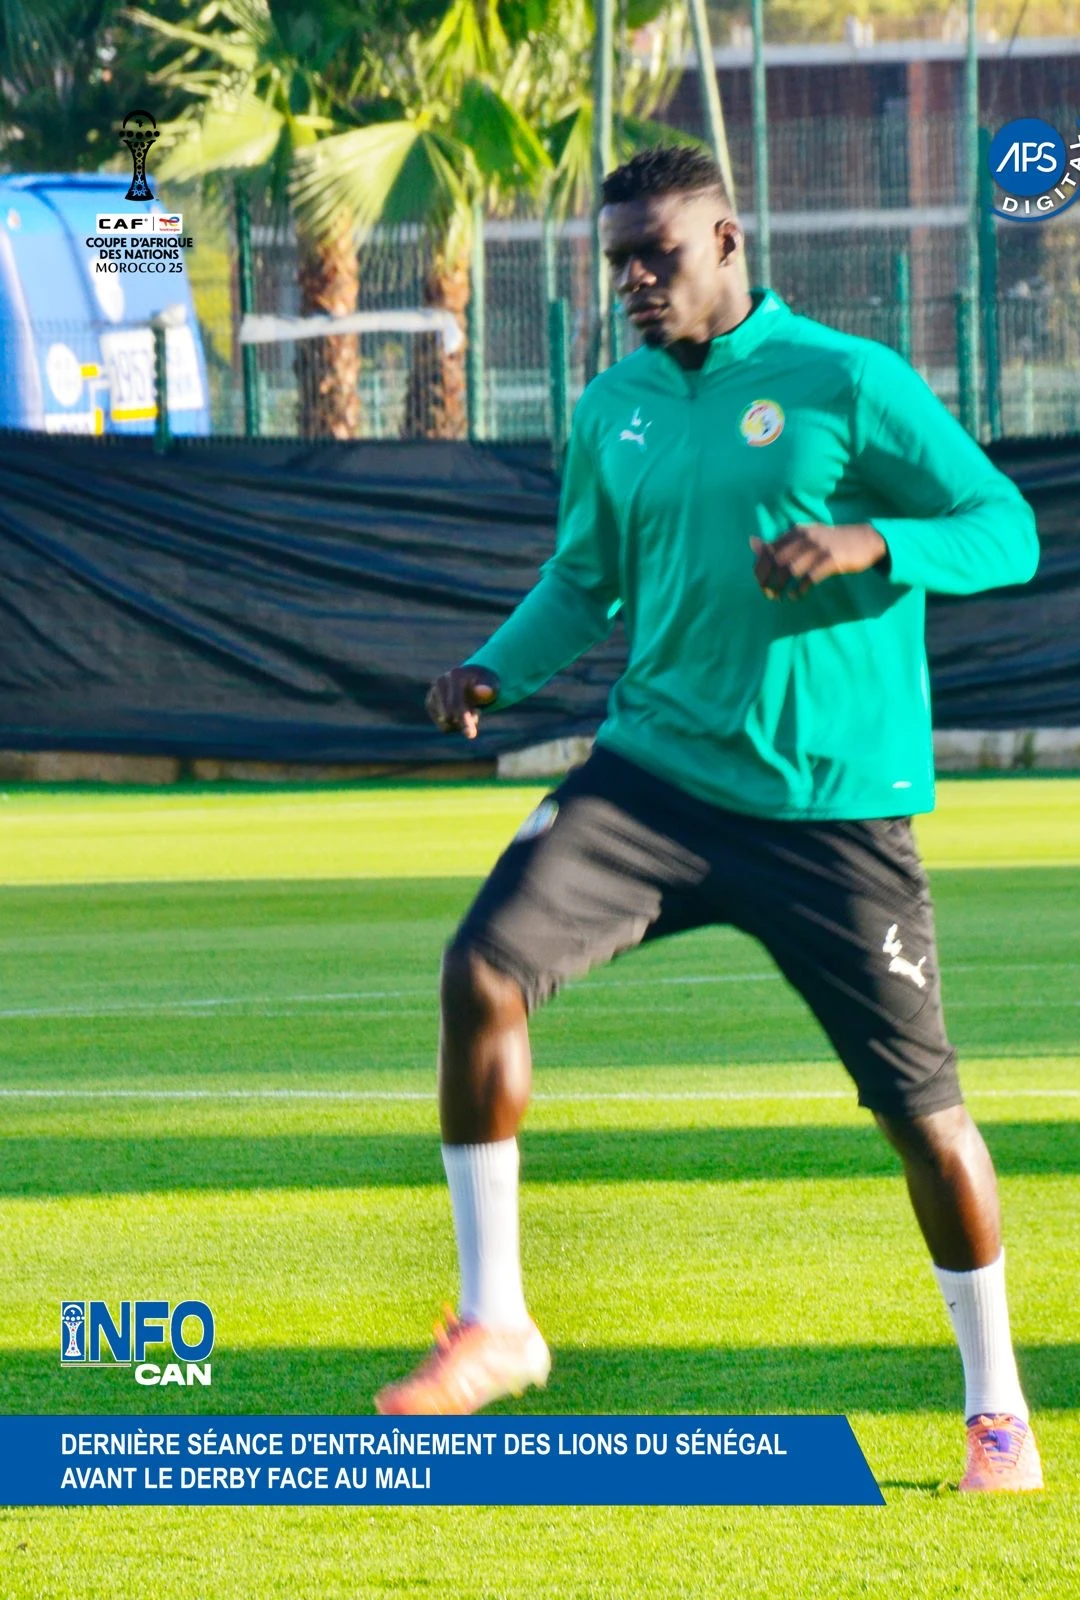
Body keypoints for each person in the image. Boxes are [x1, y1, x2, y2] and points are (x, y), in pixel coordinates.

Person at [375, 145, 1043, 1494]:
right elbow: (584, 578)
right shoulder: (613, 404)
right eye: (614, 258)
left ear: (728, 242)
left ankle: (998, 1408)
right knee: (481, 970)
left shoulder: (848, 382)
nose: (632, 280)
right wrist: (500, 666)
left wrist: (878, 544)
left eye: (656, 255)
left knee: (924, 1120)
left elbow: (1006, 527)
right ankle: (498, 1320)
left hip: (830, 811)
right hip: (653, 776)